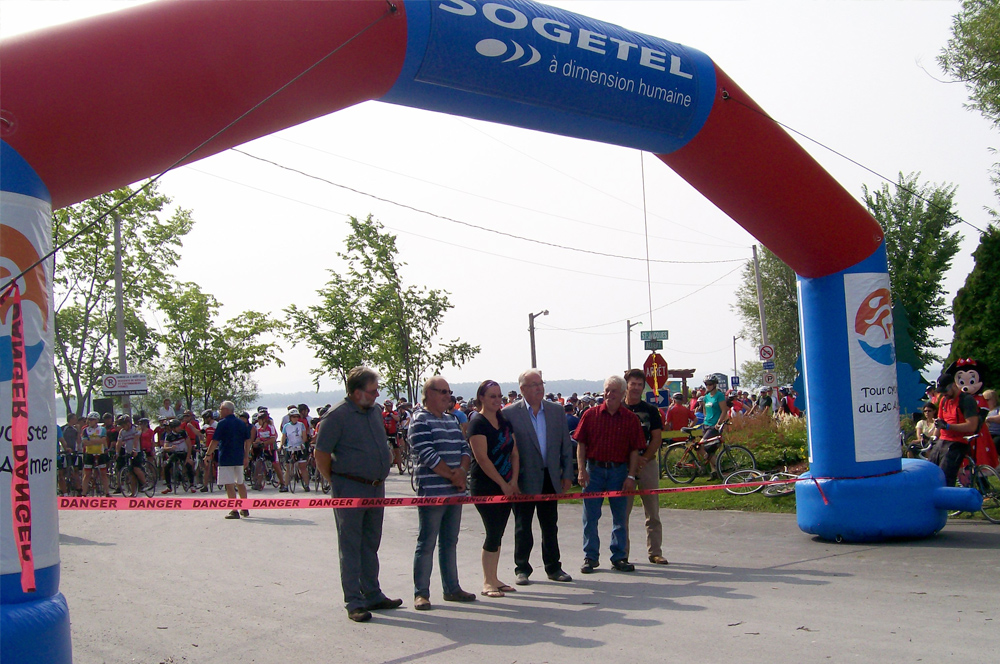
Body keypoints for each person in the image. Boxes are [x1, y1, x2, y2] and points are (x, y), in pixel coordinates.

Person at [314, 366, 401, 622]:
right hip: (350, 488)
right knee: (350, 544)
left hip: (375, 487)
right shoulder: (336, 416)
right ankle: (354, 600)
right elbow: (321, 455)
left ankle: (373, 592)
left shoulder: (374, 411)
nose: (376, 396)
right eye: (371, 391)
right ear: (355, 392)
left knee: (371, 542)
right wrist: (337, 482)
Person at [503, 369, 574, 585]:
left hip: (550, 478)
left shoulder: (555, 411)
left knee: (550, 525)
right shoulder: (510, 413)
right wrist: (511, 480)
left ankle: (553, 567)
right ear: (522, 389)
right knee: (523, 526)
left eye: (540, 383)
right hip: (523, 480)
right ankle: (522, 568)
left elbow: (565, 445)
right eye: (533, 384)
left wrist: (567, 474)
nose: (539, 388)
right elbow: (507, 449)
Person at [409, 375, 475, 611]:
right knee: (426, 542)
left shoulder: (451, 420)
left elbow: (464, 448)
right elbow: (426, 454)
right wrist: (453, 476)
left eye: (449, 391)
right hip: (433, 493)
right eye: (443, 391)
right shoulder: (419, 421)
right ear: (429, 394)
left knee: (450, 541)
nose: (448, 396)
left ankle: (452, 588)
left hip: (454, 492)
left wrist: (462, 471)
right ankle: (421, 593)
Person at [574, 375, 644, 574]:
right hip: (593, 471)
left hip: (619, 472)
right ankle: (590, 557)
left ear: (623, 394)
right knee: (590, 517)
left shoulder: (630, 419)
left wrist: (631, 476)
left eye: (614, 390)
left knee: (620, 517)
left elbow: (634, 450)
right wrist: (581, 470)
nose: (609, 394)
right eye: (607, 390)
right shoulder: (590, 415)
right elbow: (581, 444)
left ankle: (619, 557)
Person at [467, 379, 520, 598]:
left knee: (498, 532)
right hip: (487, 485)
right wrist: (502, 484)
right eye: (492, 396)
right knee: (492, 531)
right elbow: (482, 459)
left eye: (499, 396)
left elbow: (514, 452)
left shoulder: (505, 421)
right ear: (481, 398)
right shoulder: (477, 422)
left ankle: (495, 577)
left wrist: (513, 482)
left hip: (507, 484)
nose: (497, 400)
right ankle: (487, 581)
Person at [622, 369, 668, 565]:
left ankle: (655, 552)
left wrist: (644, 459)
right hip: (623, 467)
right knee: (623, 513)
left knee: (653, 512)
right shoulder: (618, 409)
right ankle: (622, 554)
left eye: (640, 385)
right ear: (626, 385)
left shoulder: (650, 410)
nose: (636, 388)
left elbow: (657, 438)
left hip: (647, 464)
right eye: (633, 384)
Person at [933, 373, 981, 488]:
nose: (944, 394)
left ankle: (947, 500)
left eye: (946, 390)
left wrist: (949, 426)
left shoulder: (966, 400)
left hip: (959, 441)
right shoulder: (944, 400)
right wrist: (934, 437)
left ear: (954, 385)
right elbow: (940, 421)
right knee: (930, 469)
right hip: (943, 439)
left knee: (944, 474)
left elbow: (972, 426)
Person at [205, 401, 252, 519]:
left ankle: (234, 509)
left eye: (221, 409)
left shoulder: (222, 424)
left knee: (229, 484)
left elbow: (215, 441)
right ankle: (244, 507)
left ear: (227, 410)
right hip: (239, 457)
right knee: (240, 482)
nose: (220, 412)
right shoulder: (241, 423)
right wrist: (246, 456)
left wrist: (208, 454)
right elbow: (248, 441)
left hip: (226, 457)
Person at [700, 375, 730, 477]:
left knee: (700, 445)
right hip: (706, 424)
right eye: (706, 384)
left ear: (715, 385)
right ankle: (715, 471)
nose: (708, 386)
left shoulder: (719, 395)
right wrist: (705, 418)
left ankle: (718, 468)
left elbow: (724, 410)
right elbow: (705, 409)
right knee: (709, 450)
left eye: (710, 384)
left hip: (714, 426)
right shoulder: (706, 397)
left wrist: (719, 422)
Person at [250, 410, 286, 491]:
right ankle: (258, 483)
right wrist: (254, 443)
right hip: (263, 449)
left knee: (276, 465)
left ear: (264, 420)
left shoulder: (271, 427)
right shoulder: (259, 429)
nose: (258, 421)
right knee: (259, 464)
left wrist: (264, 443)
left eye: (259, 420)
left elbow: (273, 438)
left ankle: (282, 483)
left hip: (271, 449)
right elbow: (258, 438)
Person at [161, 419, 195, 494]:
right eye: (177, 427)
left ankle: (192, 485)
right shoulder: (169, 436)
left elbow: (189, 445)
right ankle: (168, 486)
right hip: (175, 454)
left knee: (188, 465)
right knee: (166, 466)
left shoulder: (183, 433)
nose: (180, 428)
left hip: (184, 453)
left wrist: (188, 457)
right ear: (173, 428)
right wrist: (170, 448)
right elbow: (165, 447)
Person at [280, 408, 310, 491]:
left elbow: (304, 436)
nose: (295, 418)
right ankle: (286, 486)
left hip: (299, 447)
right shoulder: (286, 426)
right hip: (290, 448)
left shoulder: (301, 425)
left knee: (302, 467)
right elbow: (283, 437)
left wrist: (303, 443)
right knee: (288, 467)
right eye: (293, 416)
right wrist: (281, 445)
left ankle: (306, 485)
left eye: (297, 416)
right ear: (290, 417)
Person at [80, 412, 109, 497]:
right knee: (87, 474)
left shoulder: (102, 429)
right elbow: (85, 442)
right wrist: (97, 441)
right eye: (89, 419)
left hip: (100, 453)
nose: (90, 421)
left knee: (103, 473)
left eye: (92, 420)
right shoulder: (85, 430)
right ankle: (84, 493)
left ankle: (107, 493)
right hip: (89, 453)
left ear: (96, 420)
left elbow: (103, 440)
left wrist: (91, 441)